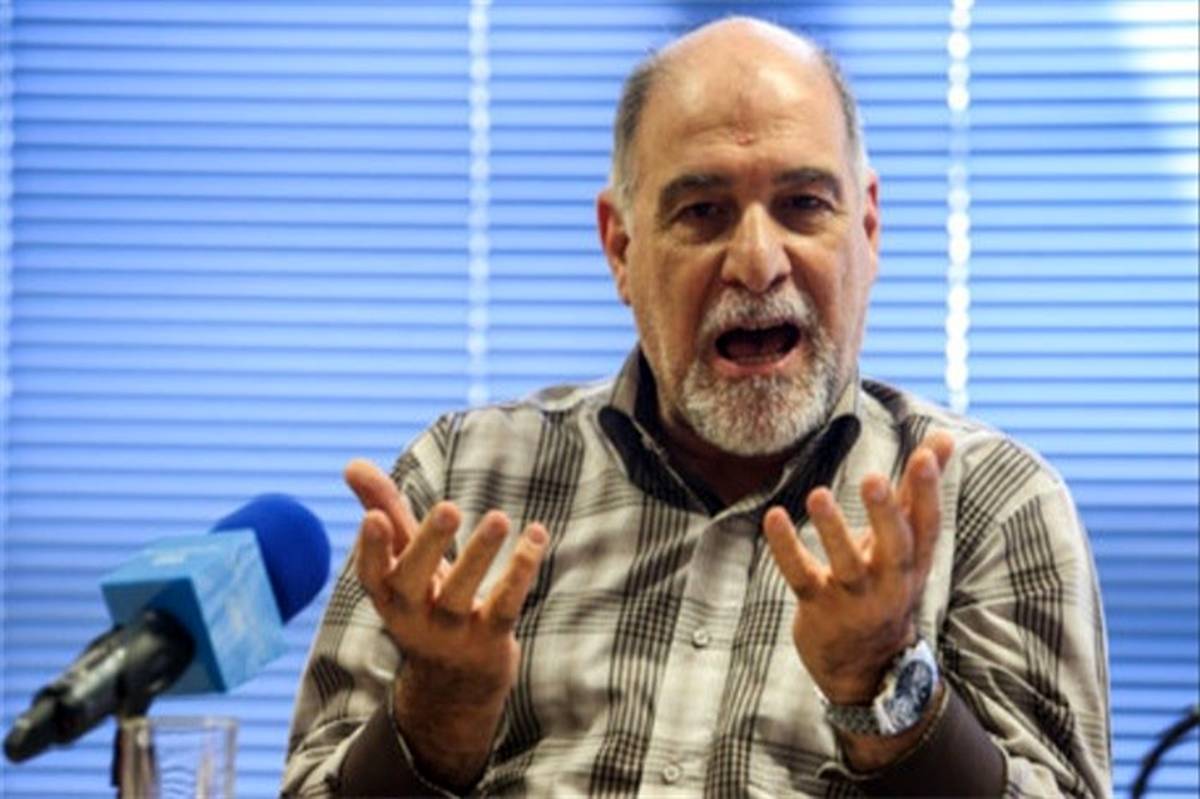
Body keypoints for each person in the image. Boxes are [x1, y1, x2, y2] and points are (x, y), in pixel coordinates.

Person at [282, 17, 1110, 797]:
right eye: (703, 212)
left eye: (803, 204)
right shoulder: (457, 483)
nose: (757, 263)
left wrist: (885, 681)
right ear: (621, 247)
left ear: (868, 228)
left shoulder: (993, 500)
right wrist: (439, 710)